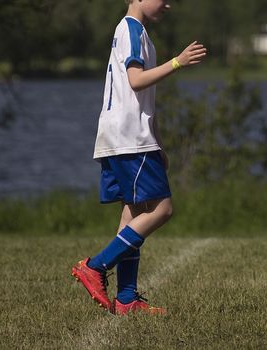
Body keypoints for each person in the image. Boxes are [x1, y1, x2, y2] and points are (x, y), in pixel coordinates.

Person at [70, 0, 207, 316]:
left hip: (128, 135)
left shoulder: (136, 31)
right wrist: (178, 62)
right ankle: (96, 266)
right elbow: (136, 80)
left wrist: (157, 141)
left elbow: (143, 98)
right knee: (162, 209)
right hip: (128, 136)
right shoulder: (131, 28)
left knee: (134, 211)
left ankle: (127, 298)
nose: (168, 5)